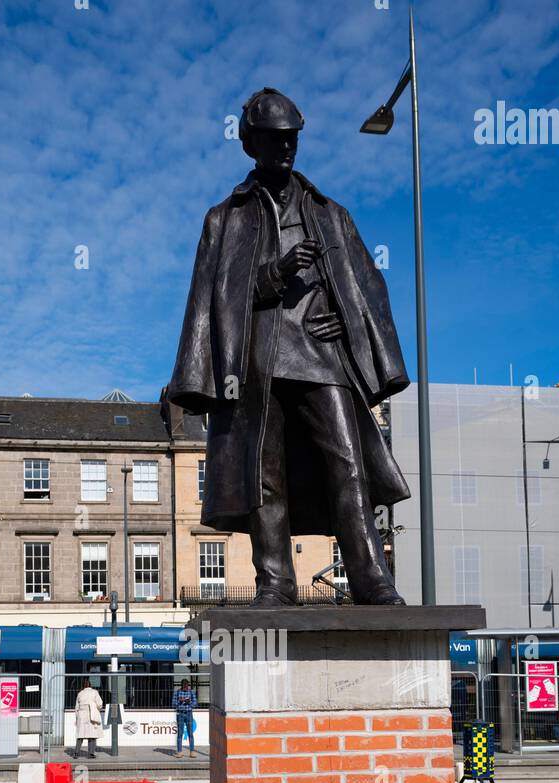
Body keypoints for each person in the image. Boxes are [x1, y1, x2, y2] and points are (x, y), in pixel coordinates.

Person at [166, 87, 410, 608]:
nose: (286, 148)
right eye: (275, 139)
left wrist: (345, 326)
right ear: (250, 142)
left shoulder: (330, 212)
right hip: (257, 361)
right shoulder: (223, 219)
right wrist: (273, 277)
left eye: (293, 138)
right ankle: (275, 582)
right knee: (264, 475)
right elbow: (213, 300)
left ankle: (372, 580)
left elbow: (368, 287)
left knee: (348, 465)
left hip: (323, 361)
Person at [74, 678, 104, 759]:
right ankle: (91, 754)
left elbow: (76, 707)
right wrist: (95, 706)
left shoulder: (80, 693)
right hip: (91, 715)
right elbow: (100, 704)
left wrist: (77, 718)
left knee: (80, 735)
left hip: (81, 715)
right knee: (92, 735)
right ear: (90, 685)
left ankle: (76, 753)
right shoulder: (94, 692)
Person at [173, 678, 197, 758]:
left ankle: (192, 752)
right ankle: (179, 752)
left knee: (190, 733)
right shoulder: (177, 692)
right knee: (180, 733)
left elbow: (195, 703)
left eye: (187, 687)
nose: (186, 688)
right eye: (184, 687)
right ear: (182, 686)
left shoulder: (191, 692)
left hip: (189, 714)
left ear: (188, 685)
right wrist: (180, 701)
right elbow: (173, 704)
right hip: (180, 714)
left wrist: (189, 702)